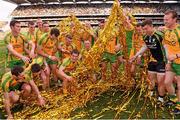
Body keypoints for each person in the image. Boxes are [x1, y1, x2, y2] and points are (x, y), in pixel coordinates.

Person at [130, 19, 166, 103]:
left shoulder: (159, 35)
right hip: (152, 60)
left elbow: (167, 47)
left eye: (146, 29)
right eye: (143, 29)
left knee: (160, 81)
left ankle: (161, 98)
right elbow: (145, 46)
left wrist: (169, 61)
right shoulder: (145, 36)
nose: (144, 31)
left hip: (162, 61)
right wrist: (136, 55)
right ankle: (151, 92)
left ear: (151, 26)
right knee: (151, 79)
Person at [163, 10, 180, 114]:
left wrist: (177, 55)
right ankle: (173, 99)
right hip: (172, 62)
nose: (165, 21)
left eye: (167, 19)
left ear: (174, 19)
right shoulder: (166, 31)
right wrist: (169, 61)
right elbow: (167, 46)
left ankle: (179, 106)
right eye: (164, 19)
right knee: (167, 82)